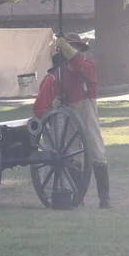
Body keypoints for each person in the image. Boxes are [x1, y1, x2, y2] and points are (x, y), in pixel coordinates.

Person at [35, 33, 111, 209]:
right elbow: (55, 94)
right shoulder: (60, 72)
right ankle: (78, 197)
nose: (71, 51)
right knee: (73, 153)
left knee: (96, 150)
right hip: (70, 110)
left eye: (73, 47)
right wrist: (56, 101)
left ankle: (104, 198)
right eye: (68, 47)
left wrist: (67, 49)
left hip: (86, 107)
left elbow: (78, 65)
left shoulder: (88, 64)